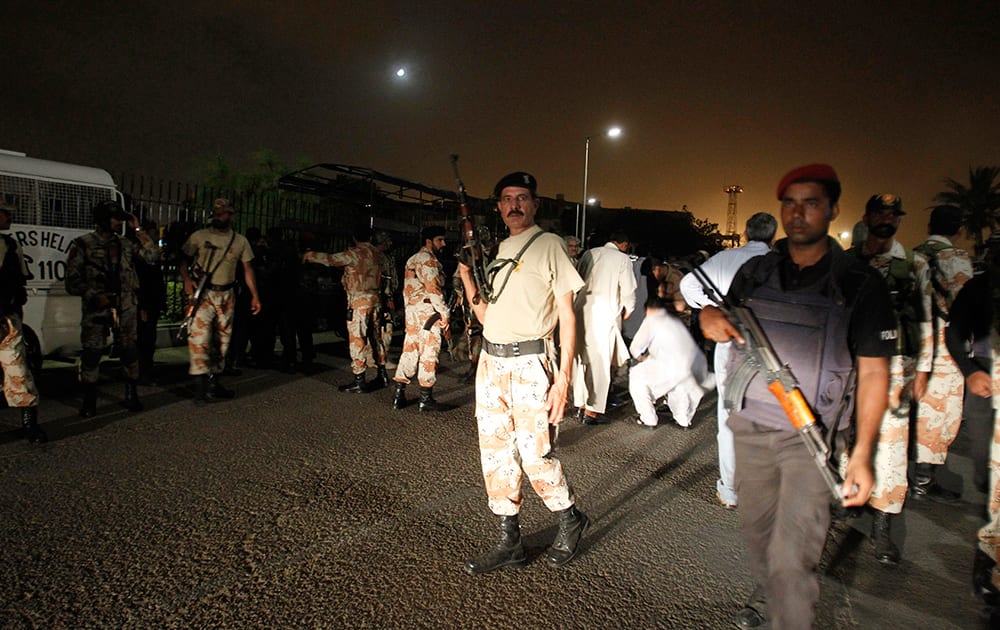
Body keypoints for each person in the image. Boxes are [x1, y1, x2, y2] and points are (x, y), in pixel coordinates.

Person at [699, 164, 894, 629]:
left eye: (811, 203)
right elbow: (719, 317)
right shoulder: (756, 270)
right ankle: (772, 592)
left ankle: (785, 609)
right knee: (759, 532)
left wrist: (864, 454)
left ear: (833, 210)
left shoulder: (861, 283)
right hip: (750, 426)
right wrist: (706, 318)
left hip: (811, 435)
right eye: (791, 203)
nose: (799, 213)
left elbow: (874, 375)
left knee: (793, 551)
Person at [458, 171, 588, 575]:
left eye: (522, 198)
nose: (514, 205)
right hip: (491, 362)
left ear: (534, 205)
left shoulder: (548, 245)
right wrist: (466, 276)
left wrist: (563, 379)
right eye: (507, 199)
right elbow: (486, 316)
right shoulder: (497, 251)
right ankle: (509, 541)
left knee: (536, 452)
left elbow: (567, 315)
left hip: (531, 362)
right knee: (496, 454)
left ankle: (569, 517)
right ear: (498, 207)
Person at [847, 193, 933, 565]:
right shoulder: (847, 261)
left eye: (893, 214)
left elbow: (927, 315)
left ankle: (883, 526)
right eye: (880, 212)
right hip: (849, 361)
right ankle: (848, 502)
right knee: (844, 436)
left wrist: (925, 367)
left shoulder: (913, 263)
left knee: (893, 446)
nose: (887, 219)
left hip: (896, 364)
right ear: (867, 216)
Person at [679, 211, 777, 509]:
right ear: (773, 236)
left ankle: (731, 491)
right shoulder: (780, 264)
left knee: (730, 416)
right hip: (773, 346)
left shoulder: (725, 258)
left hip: (731, 341)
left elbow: (687, 286)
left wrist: (711, 308)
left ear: (746, 234)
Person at [946, 232, 1000, 611]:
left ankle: (989, 567)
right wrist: (968, 370)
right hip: (986, 380)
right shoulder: (980, 289)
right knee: (985, 471)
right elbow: (953, 332)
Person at [65, 200, 158, 416]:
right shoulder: (83, 244)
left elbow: (153, 257)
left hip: (125, 305)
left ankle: (131, 393)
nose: (119, 222)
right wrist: (94, 296)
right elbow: (72, 281)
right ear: (102, 220)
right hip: (97, 307)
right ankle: (89, 399)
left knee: (129, 350)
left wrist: (138, 229)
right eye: (115, 218)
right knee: (92, 351)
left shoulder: (126, 244)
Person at [911, 204, 973, 502]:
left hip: (913, 339)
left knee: (917, 406)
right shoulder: (956, 258)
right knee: (941, 411)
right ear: (958, 229)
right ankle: (924, 479)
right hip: (945, 342)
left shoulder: (914, 254)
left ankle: (914, 473)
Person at [179, 198, 260, 403]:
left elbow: (248, 269)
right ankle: (200, 389)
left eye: (222, 213)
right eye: (216, 212)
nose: (218, 216)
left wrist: (255, 295)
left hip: (227, 295)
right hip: (204, 294)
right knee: (199, 338)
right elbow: (183, 259)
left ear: (231, 216)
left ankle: (213, 383)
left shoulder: (240, 241)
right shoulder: (199, 236)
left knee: (222, 340)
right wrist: (187, 279)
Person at [302, 224, 382, 393]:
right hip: (375, 299)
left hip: (359, 301)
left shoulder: (355, 253)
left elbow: (331, 259)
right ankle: (381, 374)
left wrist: (311, 255)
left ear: (354, 238)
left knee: (357, 339)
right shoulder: (377, 253)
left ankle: (359, 380)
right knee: (376, 338)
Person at [571, 229, 637, 424]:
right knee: (600, 362)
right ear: (624, 244)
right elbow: (628, 290)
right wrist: (629, 309)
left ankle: (580, 403)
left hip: (581, 310)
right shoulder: (622, 259)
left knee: (580, 358)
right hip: (604, 314)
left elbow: (577, 281)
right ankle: (592, 411)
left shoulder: (589, 253)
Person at [628, 295, 714, 428]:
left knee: (637, 381)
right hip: (692, 366)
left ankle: (648, 418)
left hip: (668, 366)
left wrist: (642, 358)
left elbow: (636, 348)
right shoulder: (675, 321)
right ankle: (683, 420)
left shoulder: (652, 320)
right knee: (678, 388)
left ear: (648, 310)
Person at [391, 225, 450, 412]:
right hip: (428, 313)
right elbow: (433, 289)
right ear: (429, 241)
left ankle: (399, 395)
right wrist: (444, 313)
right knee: (429, 353)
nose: (444, 244)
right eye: (440, 240)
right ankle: (425, 398)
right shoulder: (428, 260)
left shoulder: (413, 259)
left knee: (410, 350)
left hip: (413, 312)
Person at [0, 203, 45, 442]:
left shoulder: (10, 245)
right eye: (6, 212)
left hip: (6, 320)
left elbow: (20, 282)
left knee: (18, 371)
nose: (10, 217)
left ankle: (30, 424)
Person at [133, 219, 165, 385]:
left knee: (148, 339)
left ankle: (145, 371)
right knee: (144, 340)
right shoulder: (139, 253)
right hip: (144, 301)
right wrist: (142, 305)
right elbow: (142, 280)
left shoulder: (147, 252)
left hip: (151, 301)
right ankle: (142, 373)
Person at [373, 230, 399, 369]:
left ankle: (375, 358)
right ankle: (381, 359)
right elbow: (384, 280)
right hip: (383, 297)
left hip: (383, 297)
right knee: (386, 329)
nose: (390, 244)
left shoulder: (383, 256)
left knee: (379, 329)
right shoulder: (379, 257)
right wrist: (388, 298)